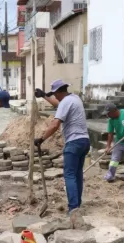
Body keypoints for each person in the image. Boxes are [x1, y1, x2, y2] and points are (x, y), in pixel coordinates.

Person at [33, 80, 90, 213]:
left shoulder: (65, 102)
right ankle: (77, 204)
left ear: (59, 92)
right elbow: (58, 104)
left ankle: (73, 208)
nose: (55, 96)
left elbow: (55, 125)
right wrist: (44, 95)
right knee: (77, 174)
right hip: (84, 141)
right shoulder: (74, 98)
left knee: (69, 175)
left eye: (55, 94)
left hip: (74, 142)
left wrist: (41, 139)